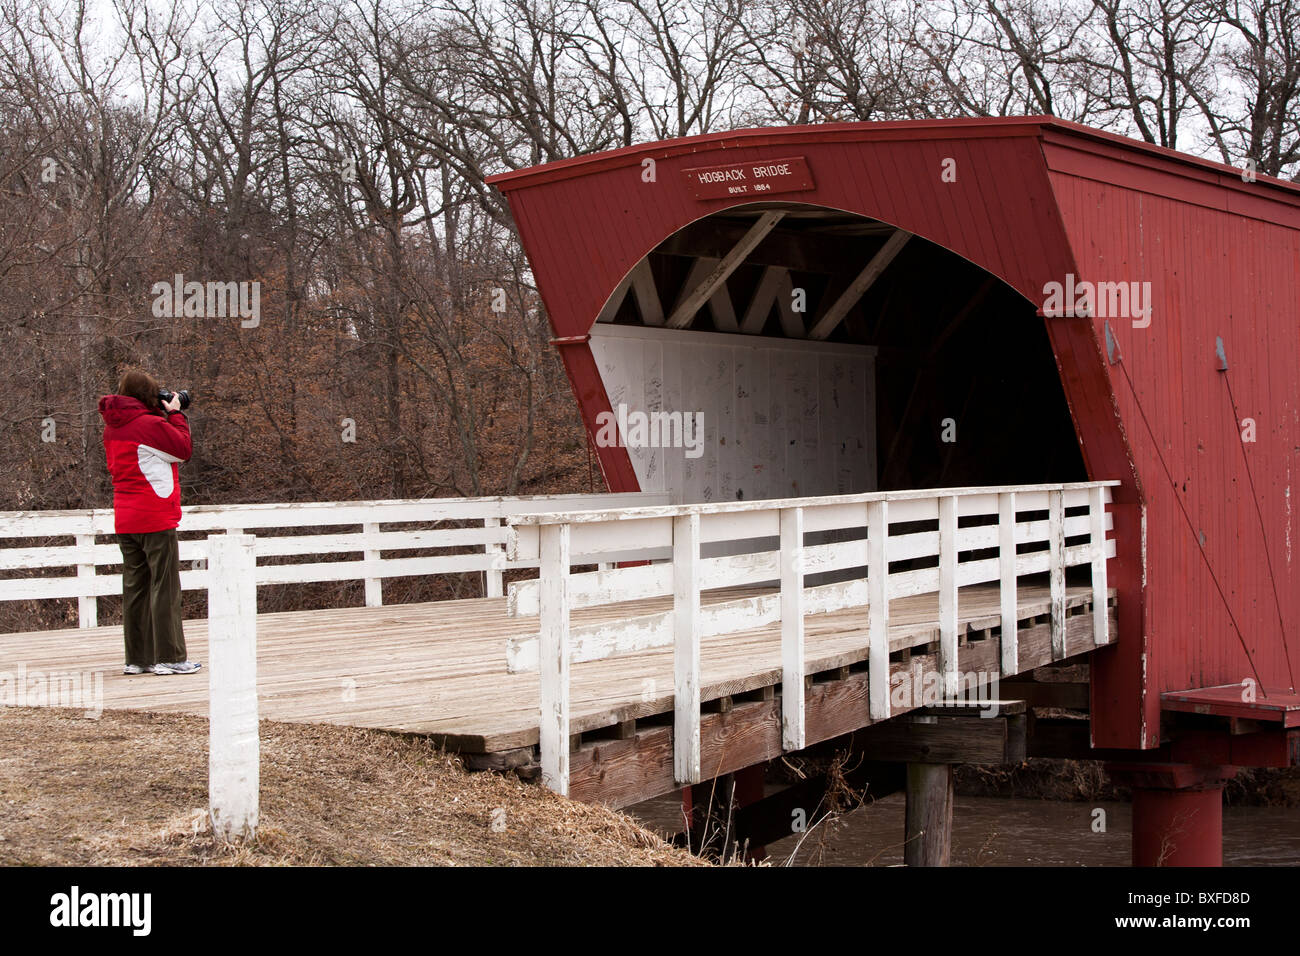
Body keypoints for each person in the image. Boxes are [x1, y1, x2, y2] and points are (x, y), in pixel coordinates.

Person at [98, 370, 201, 676]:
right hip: (154, 516)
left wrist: (161, 413)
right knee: (165, 586)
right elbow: (182, 450)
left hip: (125, 518)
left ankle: (138, 659)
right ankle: (170, 656)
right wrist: (176, 415)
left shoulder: (112, 428)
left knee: (136, 587)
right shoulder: (150, 424)